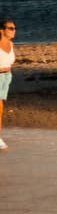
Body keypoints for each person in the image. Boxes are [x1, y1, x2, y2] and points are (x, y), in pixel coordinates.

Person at [0, 17, 14, 150]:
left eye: (14, 28)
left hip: (6, 77)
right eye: (10, 28)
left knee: (1, 107)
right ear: (2, 30)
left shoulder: (11, 44)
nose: (13, 31)